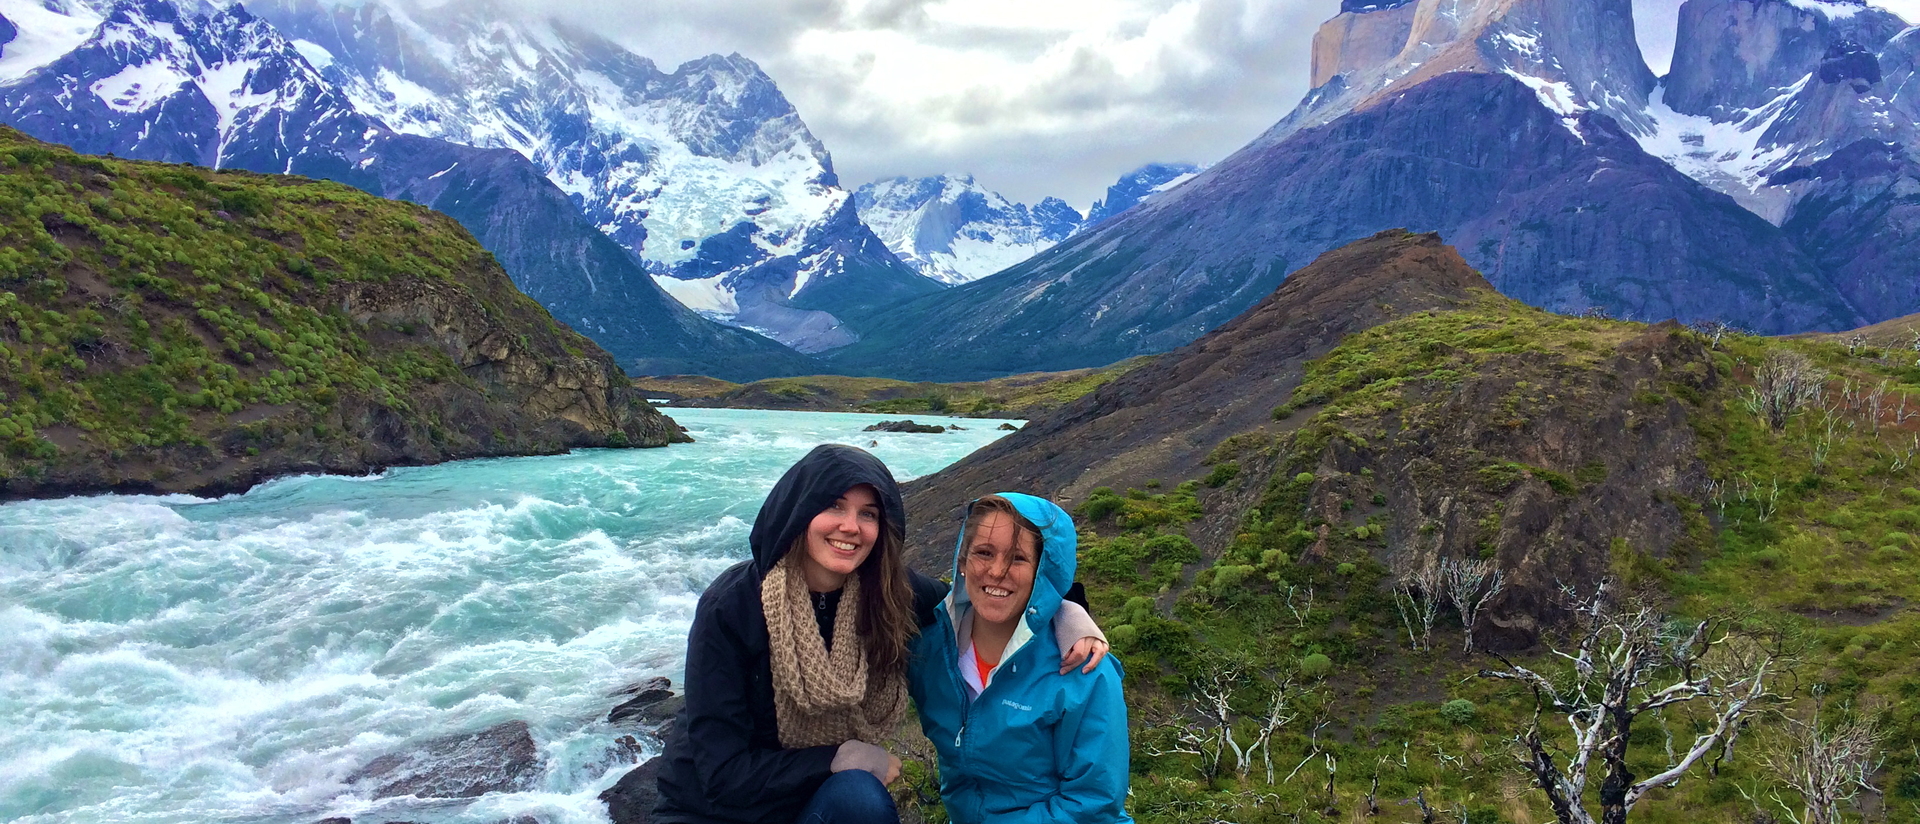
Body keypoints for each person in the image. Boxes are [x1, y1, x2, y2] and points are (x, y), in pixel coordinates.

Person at [651, 445, 1107, 824]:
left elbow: (984, 601)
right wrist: (836, 757)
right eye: (833, 505)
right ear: (798, 510)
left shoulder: (891, 591)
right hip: (711, 809)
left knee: (860, 799)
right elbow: (721, 773)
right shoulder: (733, 606)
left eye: (868, 513)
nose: (851, 526)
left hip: (810, 805)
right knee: (854, 782)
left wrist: (1069, 613)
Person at [908, 493, 1132, 824]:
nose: (997, 571)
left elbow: (1093, 801)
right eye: (984, 553)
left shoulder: (1083, 669)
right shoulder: (931, 654)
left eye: (1017, 559)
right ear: (962, 562)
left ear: (1044, 571)